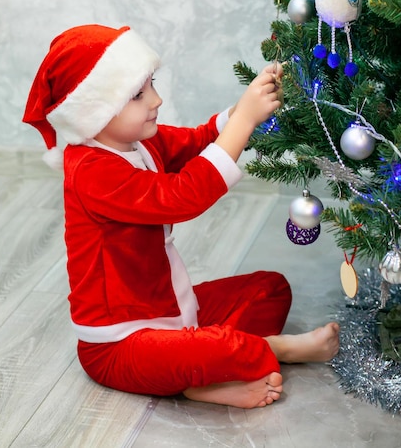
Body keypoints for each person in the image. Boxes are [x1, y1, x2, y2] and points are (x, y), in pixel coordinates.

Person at [23, 24, 339, 409]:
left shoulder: (137, 141)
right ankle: (269, 350)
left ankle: (204, 375)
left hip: (173, 309)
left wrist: (242, 108)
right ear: (95, 112)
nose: (155, 99)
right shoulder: (90, 169)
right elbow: (181, 198)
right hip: (119, 343)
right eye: (138, 95)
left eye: (151, 84)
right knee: (220, 345)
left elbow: (198, 140)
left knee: (270, 288)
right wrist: (244, 123)